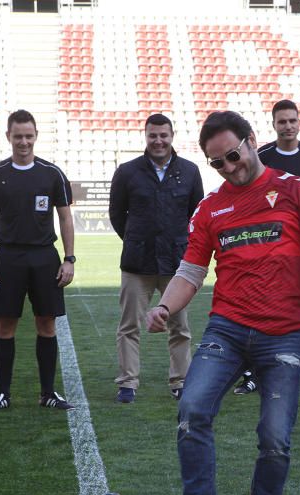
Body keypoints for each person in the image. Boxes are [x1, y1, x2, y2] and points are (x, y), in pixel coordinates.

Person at [134, 111, 300, 495]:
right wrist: (163, 307)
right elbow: (191, 273)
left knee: (275, 438)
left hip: (284, 335)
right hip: (228, 330)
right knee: (192, 410)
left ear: (252, 142)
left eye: (233, 155)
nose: (229, 168)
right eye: (217, 163)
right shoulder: (211, 208)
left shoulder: (297, 191)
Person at [0, 109, 76, 412]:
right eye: (18, 136)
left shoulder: (52, 173)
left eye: (28, 136)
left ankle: (47, 393)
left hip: (45, 257)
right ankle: (2, 393)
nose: (23, 142)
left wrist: (69, 259)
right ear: (8, 136)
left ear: (36, 136)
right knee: (5, 325)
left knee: (46, 324)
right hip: (8, 257)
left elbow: (65, 218)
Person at [235, 99, 300, 395]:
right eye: (282, 121)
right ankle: (251, 374)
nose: (288, 126)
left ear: (299, 122)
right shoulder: (261, 155)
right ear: (274, 124)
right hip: (264, 247)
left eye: (292, 120)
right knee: (257, 307)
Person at [110, 114, 204, 404]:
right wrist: (137, 240)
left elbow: (195, 215)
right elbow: (117, 216)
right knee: (129, 326)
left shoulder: (189, 171)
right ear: (146, 136)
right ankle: (128, 383)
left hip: (176, 265)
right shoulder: (127, 172)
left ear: (172, 135)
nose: (158, 141)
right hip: (137, 264)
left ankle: (181, 381)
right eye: (153, 135)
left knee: (180, 327)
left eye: (163, 135)